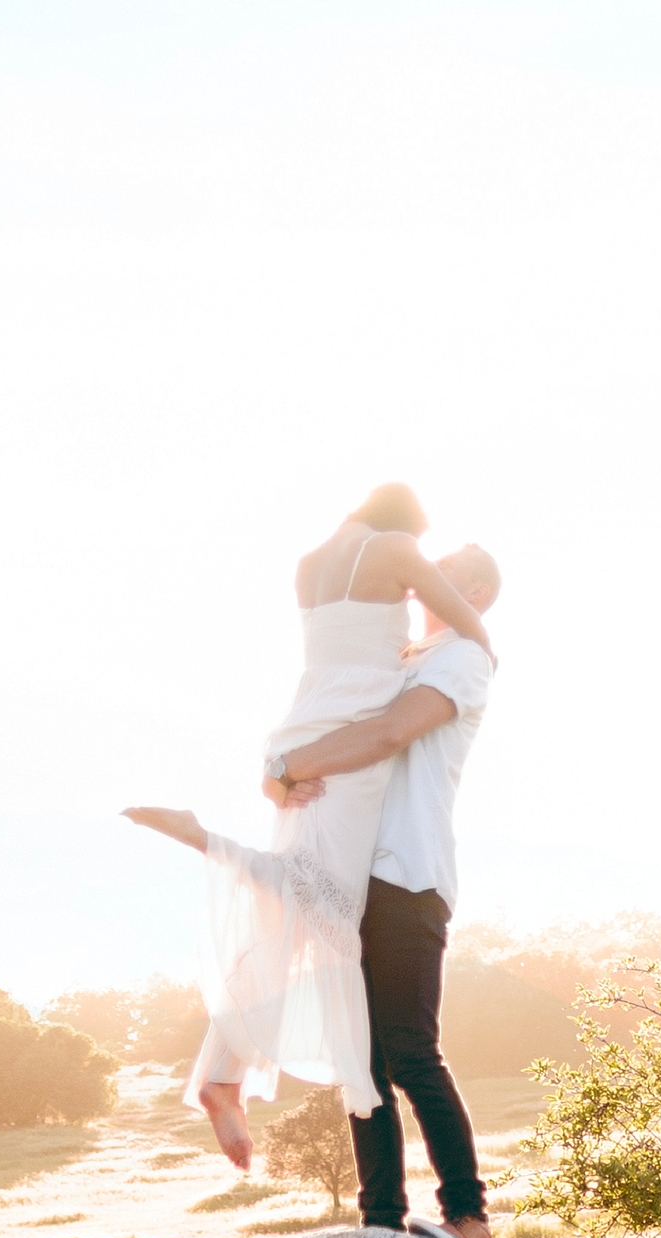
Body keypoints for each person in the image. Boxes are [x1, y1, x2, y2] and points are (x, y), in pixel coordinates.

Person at [125, 487, 494, 1171]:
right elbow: (448, 660)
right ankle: (205, 846)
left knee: (294, 896)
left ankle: (224, 1068)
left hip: (307, 718)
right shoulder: (399, 557)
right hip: (344, 743)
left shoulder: (309, 563)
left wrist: (282, 763)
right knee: (320, 904)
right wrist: (482, 636)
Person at [259, 545, 500, 1238]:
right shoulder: (402, 657)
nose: (423, 576)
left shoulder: (464, 659)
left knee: (412, 1054)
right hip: (352, 878)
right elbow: (326, 723)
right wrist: (277, 774)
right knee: (359, 1058)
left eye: (448, 570)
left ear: (478, 591)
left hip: (407, 874)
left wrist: (292, 765)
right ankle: (380, 1225)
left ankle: (468, 1219)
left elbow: (389, 733)